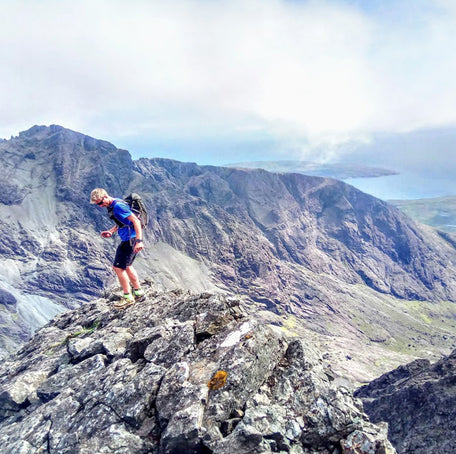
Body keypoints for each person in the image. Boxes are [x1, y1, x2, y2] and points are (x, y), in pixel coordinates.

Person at [90, 188, 145, 308]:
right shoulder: (116, 203)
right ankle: (138, 292)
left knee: (118, 268)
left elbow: (135, 221)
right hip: (130, 239)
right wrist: (111, 231)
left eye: (100, 203)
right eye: (98, 204)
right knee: (128, 266)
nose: (100, 206)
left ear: (105, 197)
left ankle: (128, 297)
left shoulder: (118, 206)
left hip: (130, 240)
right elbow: (123, 221)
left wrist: (139, 241)